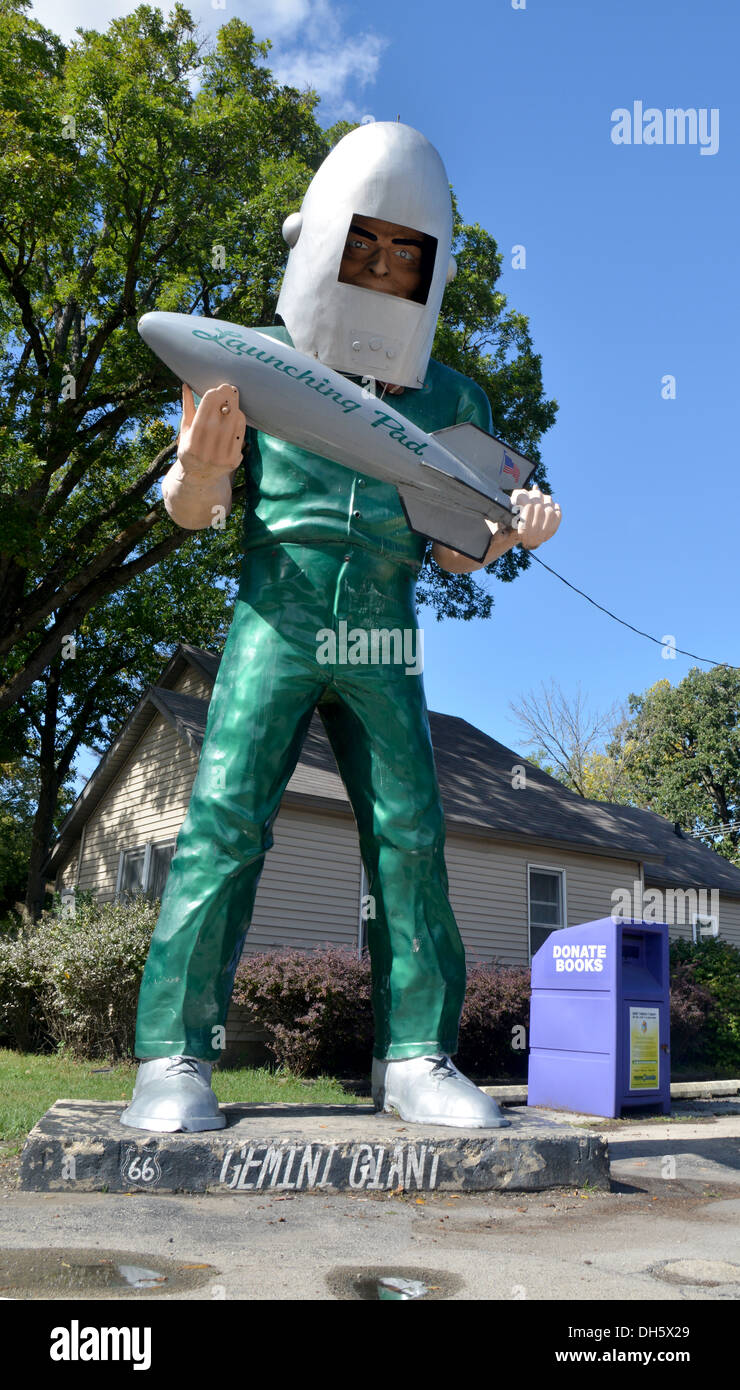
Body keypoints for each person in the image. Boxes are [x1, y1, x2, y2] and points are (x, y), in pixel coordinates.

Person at [122, 122, 560, 1134]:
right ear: (318, 237)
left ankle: (416, 1053)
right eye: (363, 243)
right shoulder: (245, 363)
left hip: (384, 627)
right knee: (223, 823)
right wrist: (199, 464)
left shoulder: (454, 397)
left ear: (432, 267)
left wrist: (511, 531)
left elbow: (456, 550)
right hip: (273, 611)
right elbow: (193, 514)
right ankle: (173, 1056)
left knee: (409, 835)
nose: (380, 266)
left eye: (405, 254)